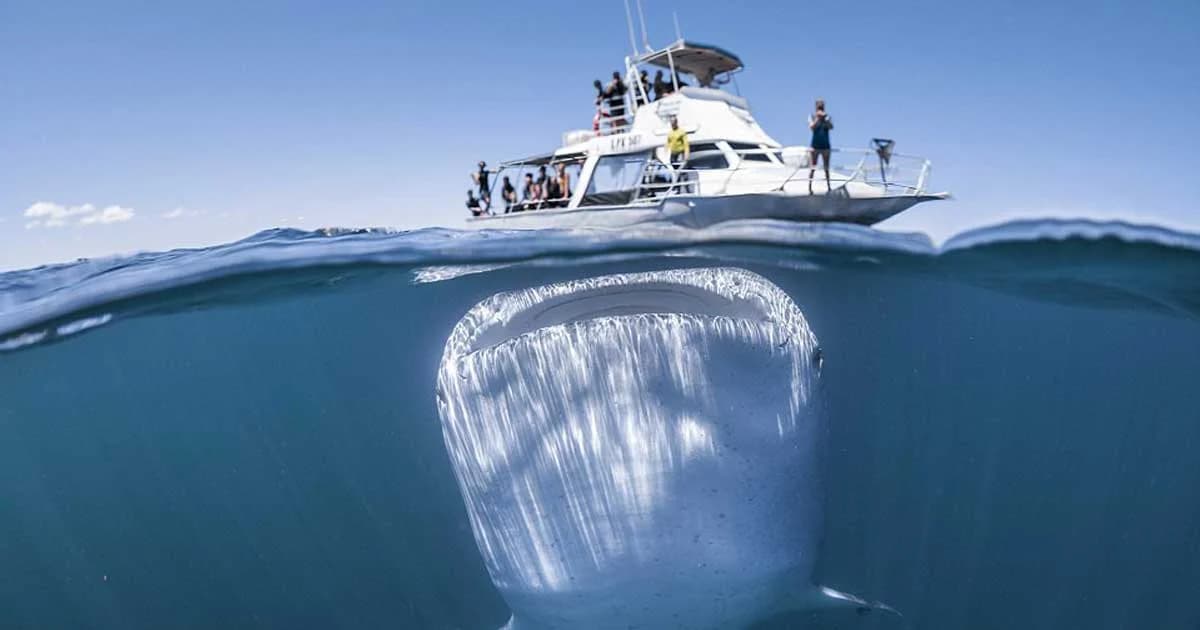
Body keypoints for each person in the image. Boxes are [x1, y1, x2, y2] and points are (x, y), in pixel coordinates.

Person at [807, 99, 834, 194]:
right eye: (819, 106)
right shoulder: (812, 116)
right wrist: (818, 119)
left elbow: (831, 127)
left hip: (825, 146)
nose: (820, 108)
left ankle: (829, 187)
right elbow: (811, 127)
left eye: (822, 106)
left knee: (826, 168)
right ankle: (809, 187)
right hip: (815, 146)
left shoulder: (828, 117)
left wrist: (825, 119)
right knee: (812, 167)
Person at [665, 117, 690, 194]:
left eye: (673, 123)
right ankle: (678, 189)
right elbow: (668, 142)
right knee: (676, 171)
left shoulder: (681, 132)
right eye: (671, 123)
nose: (672, 124)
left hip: (680, 153)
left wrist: (686, 154)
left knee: (683, 171)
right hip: (673, 154)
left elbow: (686, 144)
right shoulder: (670, 132)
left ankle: (687, 189)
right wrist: (665, 151)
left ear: (676, 123)